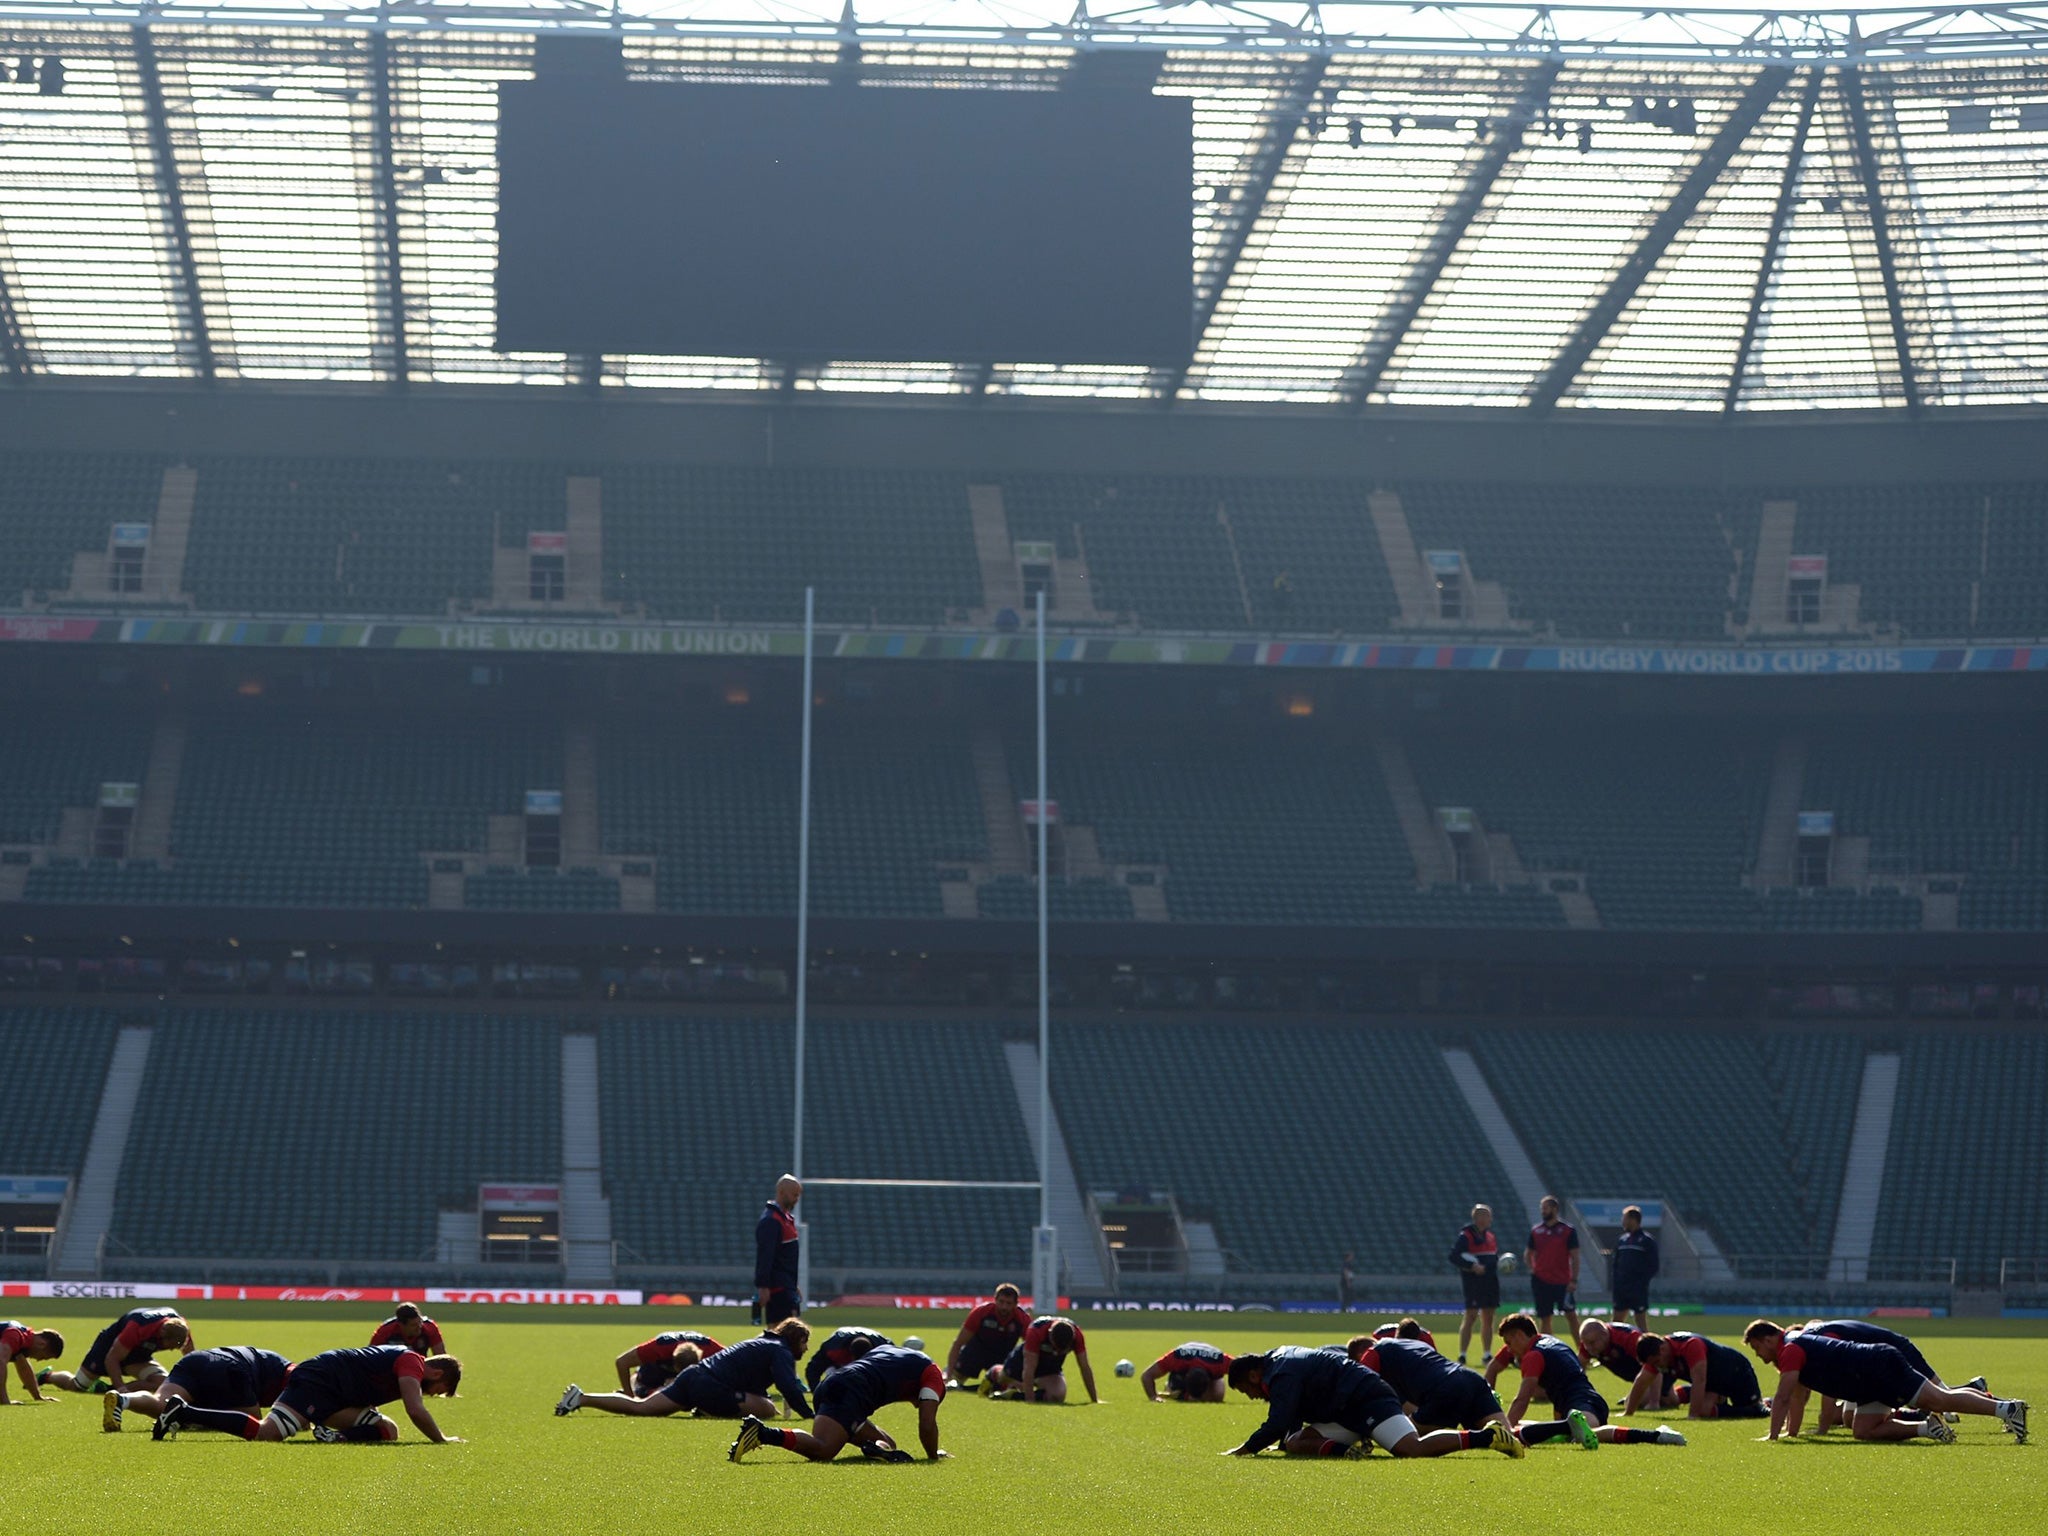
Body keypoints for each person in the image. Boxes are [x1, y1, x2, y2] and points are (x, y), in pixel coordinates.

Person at [1744, 1321, 2026, 1444]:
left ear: (1769, 1339)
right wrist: (1789, 1436)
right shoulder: (1792, 1349)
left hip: (1877, 1367)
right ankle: (1928, 1428)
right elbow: (1796, 1398)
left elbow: (1783, 1398)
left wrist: (1772, 1437)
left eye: (1757, 1349)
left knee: (1940, 1399)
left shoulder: (1790, 1349)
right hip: (1866, 1382)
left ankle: (2006, 1409)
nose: (1759, 1356)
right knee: (1863, 1430)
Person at [1224, 1346, 1522, 1459]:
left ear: (1253, 1375)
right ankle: (1349, 1452)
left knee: (1410, 1448)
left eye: (1244, 1390)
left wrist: (1245, 1449)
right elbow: (1290, 1415)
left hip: (1367, 1399)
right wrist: (1283, 1440)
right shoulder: (1280, 1359)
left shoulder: (1281, 1373)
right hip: (1343, 1409)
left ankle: (1486, 1437)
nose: (1251, 1396)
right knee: (1299, 1442)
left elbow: (1278, 1419)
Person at [156, 1344, 460, 1443]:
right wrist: (442, 1440)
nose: (434, 1394)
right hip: (319, 1381)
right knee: (267, 1434)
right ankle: (183, 1412)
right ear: (436, 1374)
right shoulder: (411, 1362)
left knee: (386, 1429)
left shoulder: (407, 1363)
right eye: (439, 1390)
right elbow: (415, 1408)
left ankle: (333, 1437)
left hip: (338, 1394)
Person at [557, 1318, 810, 1421]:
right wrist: (809, 1415)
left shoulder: (763, 1342)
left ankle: (581, 1397)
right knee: (767, 1410)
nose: (806, 1348)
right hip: (708, 1385)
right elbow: (787, 1386)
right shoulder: (781, 1350)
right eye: (804, 1341)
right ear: (794, 1338)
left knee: (642, 1408)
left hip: (693, 1376)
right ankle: (706, 1409)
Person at [731, 1344, 949, 1463]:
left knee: (888, 1443)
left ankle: (875, 1448)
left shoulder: (895, 1351)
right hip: (852, 1392)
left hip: (835, 1383)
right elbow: (927, 1424)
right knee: (824, 1449)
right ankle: (763, 1433)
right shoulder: (933, 1376)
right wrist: (932, 1456)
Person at [1496, 1314, 1685, 1448]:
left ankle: (1657, 1435)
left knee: (1588, 1432)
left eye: (1509, 1343)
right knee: (1563, 1430)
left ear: (1520, 1335)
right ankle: (1498, 1428)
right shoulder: (1551, 1342)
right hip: (1585, 1400)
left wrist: (1506, 1433)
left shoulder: (1533, 1355)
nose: (1509, 1350)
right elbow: (1562, 1386)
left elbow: (1522, 1400)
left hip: (1583, 1402)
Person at [1346, 1334, 1509, 1434]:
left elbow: (1361, 1384)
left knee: (1405, 1436)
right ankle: (1533, 1431)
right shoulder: (1411, 1345)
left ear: (1361, 1354)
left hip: (1446, 1388)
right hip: (1471, 1378)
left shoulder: (1374, 1352)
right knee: (1507, 1435)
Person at [106, 1345, 291, 1432]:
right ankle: (190, 1417)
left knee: (162, 1402)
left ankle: (124, 1400)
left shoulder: (280, 1365)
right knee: (254, 1421)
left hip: (195, 1359)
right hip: (230, 1367)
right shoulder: (295, 1375)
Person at [45, 1308, 191, 1394]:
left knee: (162, 1383)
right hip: (108, 1349)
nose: (171, 1350)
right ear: (161, 1335)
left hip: (137, 1354)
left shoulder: (180, 1329)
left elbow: (190, 1356)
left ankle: (106, 1390)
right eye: (170, 1346)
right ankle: (48, 1376)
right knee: (77, 1386)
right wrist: (120, 1388)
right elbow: (112, 1358)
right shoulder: (138, 1327)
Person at [1628, 1332, 1767, 1418]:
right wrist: (1629, 1412)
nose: (1658, 1367)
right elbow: (1642, 1381)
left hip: (1737, 1374)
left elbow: (1699, 1380)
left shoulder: (1690, 1345)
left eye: (1657, 1362)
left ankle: (1763, 1405)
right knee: (1704, 1410)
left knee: (1754, 1410)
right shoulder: (1658, 1356)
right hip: (1713, 1382)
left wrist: (1692, 1415)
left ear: (1662, 1349)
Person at [983, 1315, 1098, 1405]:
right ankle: (994, 1371)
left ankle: (1012, 1395)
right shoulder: (1036, 1330)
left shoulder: (1077, 1335)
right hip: (1023, 1361)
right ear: (1050, 1334)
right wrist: (1030, 1400)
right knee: (1003, 1378)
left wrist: (1094, 1400)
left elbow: (1085, 1367)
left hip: (1050, 1368)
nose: (1056, 1353)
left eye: (1061, 1351)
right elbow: (1029, 1368)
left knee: (1057, 1396)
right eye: (1055, 1348)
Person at [945, 1284, 1029, 1386]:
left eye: (1008, 1303)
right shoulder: (981, 1312)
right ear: (995, 1300)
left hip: (1003, 1357)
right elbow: (958, 1343)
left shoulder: (1022, 1319)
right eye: (1001, 1302)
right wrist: (949, 1373)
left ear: (1016, 1304)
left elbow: (1030, 1349)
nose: (1004, 1307)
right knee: (954, 1380)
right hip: (976, 1354)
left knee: (1011, 1384)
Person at [1575, 1319, 1673, 1406]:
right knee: (1668, 1400)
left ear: (1604, 1335)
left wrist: (1654, 1402)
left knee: (1667, 1401)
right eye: (1585, 1343)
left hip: (1659, 1372)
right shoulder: (1589, 1343)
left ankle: (1680, 1391)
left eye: (1592, 1343)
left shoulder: (1628, 1338)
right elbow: (1578, 1369)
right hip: (1639, 1376)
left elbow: (1654, 1365)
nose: (1588, 1348)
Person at [1450, 1203, 1501, 1366]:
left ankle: (1487, 1354)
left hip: (1490, 1282)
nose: (1488, 1219)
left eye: (1489, 1215)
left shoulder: (1491, 1237)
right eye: (1485, 1215)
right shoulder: (1466, 1236)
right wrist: (1472, 1266)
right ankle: (1462, 1354)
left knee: (1488, 1318)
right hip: (1473, 1283)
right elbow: (1454, 1256)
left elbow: (1493, 1259)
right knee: (1471, 1316)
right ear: (1477, 1218)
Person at [1524, 1196, 1580, 1341]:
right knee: (1545, 1318)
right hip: (1541, 1281)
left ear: (1555, 1209)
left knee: (1571, 1316)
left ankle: (1583, 1351)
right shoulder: (1536, 1231)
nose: (1543, 1211)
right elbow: (1528, 1253)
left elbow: (1575, 1256)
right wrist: (1532, 1269)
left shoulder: (1567, 1230)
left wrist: (1573, 1280)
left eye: (1546, 1208)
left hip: (1563, 1281)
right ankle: (1548, 1351)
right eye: (1542, 1208)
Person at [754, 1174, 803, 1326]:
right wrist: (763, 1286)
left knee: (791, 1334)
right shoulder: (772, 1220)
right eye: (794, 1194)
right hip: (778, 1288)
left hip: (786, 1286)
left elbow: (784, 1259)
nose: (797, 1199)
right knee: (781, 1334)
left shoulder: (785, 1219)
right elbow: (765, 1256)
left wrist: (793, 1285)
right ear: (781, 1192)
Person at [615, 1329, 724, 1397]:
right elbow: (621, 1362)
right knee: (643, 1391)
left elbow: (734, 1365)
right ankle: (637, 1381)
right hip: (656, 1368)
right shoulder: (658, 1348)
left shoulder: (712, 1349)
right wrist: (630, 1396)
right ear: (674, 1365)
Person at [1608, 1206, 1658, 1328]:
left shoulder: (1646, 1240)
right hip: (1621, 1288)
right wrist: (1616, 1282)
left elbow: (1654, 1265)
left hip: (1637, 1288)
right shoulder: (1622, 1240)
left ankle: (1645, 1346)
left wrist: (1641, 1282)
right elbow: (1615, 1263)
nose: (1622, 1222)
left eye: (1624, 1218)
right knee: (1616, 1323)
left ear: (1633, 1219)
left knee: (1640, 1321)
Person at [805, 1325, 891, 1392]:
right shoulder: (834, 1349)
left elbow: (894, 1368)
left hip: (870, 1339)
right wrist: (817, 1391)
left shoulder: (883, 1348)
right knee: (835, 1384)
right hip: (840, 1348)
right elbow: (812, 1370)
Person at [1140, 1342, 1231, 1403]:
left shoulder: (1220, 1361)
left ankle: (1180, 1394)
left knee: (1217, 1397)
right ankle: (1172, 1387)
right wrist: (1153, 1397)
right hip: (1181, 1372)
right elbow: (1146, 1376)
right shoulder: (1176, 1357)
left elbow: (1243, 1369)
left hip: (1210, 1369)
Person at [0, 1320, 62, 1404]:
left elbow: (24, 1369)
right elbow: (1, 1362)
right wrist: (4, 1400)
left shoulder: (22, 1337)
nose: (38, 1360)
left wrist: (37, 1396)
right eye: (43, 1357)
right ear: (42, 1344)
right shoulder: (14, 1334)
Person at [369, 1303, 445, 1356]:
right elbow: (370, 1356)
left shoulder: (430, 1327)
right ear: (401, 1325)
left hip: (420, 1369)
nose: (419, 1327)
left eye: (420, 1322)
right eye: (413, 1325)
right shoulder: (386, 1330)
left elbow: (441, 1358)